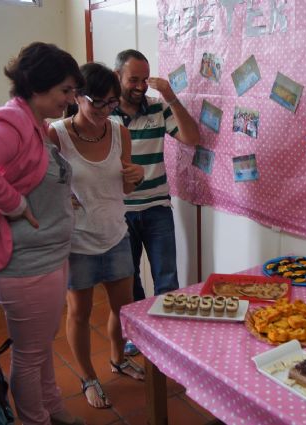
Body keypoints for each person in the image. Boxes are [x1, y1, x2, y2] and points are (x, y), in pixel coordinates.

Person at [0, 42, 85, 425]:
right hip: (24, 264)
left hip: (46, 256)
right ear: (37, 87)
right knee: (29, 356)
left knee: (40, 348)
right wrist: (15, 204)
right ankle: (36, 419)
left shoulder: (34, 125)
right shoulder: (12, 124)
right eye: (65, 90)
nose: (70, 99)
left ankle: (52, 409)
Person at [48, 63, 146, 409]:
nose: (106, 111)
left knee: (124, 308)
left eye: (112, 103)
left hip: (115, 232)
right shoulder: (55, 135)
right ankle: (88, 376)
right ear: (77, 97)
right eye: (98, 103)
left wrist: (137, 173)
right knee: (79, 312)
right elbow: (43, 183)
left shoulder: (120, 132)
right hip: (77, 241)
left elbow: (127, 184)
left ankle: (118, 359)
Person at [110, 50, 199, 355]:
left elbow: (191, 137)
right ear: (117, 76)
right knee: (130, 280)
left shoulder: (158, 108)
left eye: (144, 79)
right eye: (132, 79)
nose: (140, 86)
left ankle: (168, 339)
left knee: (166, 277)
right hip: (120, 213)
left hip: (157, 206)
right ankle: (139, 335)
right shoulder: (104, 116)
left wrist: (171, 95)